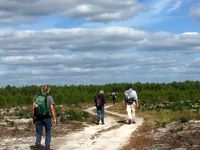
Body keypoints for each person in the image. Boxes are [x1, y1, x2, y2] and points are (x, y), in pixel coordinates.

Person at [32, 85, 57, 150]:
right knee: (48, 132)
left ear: (41, 89)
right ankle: (47, 147)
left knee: (38, 132)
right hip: (47, 117)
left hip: (38, 117)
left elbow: (33, 108)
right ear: (48, 90)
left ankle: (37, 143)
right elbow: (52, 108)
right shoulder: (50, 97)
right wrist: (54, 118)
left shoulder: (36, 97)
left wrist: (33, 117)